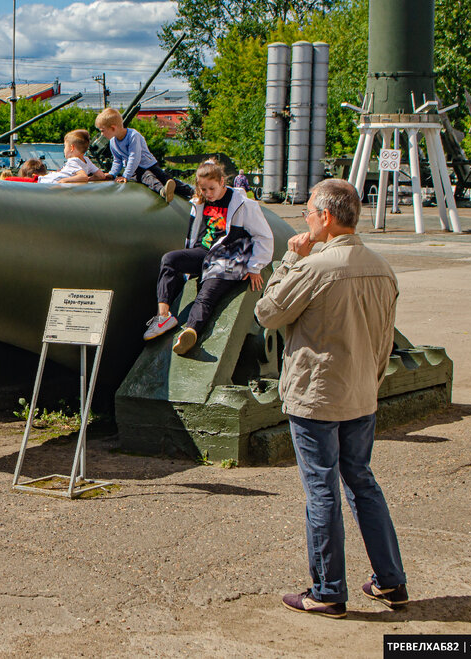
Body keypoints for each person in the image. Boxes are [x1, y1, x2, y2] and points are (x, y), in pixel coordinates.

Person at [254, 178, 407, 619]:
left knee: (321, 490)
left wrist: (289, 258)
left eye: (307, 213)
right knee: (362, 482)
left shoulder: (315, 267)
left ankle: (327, 591)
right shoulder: (381, 267)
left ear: (325, 217)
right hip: (361, 392)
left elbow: (268, 312)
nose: (304, 220)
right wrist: (372, 381)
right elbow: (384, 338)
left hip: (317, 395)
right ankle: (391, 582)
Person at [143, 159, 274, 355]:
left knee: (207, 292)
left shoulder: (243, 205)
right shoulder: (199, 202)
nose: (208, 194)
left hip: (227, 256)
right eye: (203, 189)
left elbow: (263, 236)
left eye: (211, 188)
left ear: (222, 182)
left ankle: (191, 331)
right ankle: (163, 316)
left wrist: (255, 266)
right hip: (204, 252)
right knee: (169, 260)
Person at [93, 107, 193, 202]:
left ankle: (192, 192)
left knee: (165, 178)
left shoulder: (133, 136)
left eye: (102, 131)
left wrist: (125, 176)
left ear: (113, 128)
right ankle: (163, 191)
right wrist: (112, 174)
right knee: (148, 177)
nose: (102, 134)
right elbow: (117, 160)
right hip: (136, 170)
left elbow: (134, 157)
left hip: (149, 165)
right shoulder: (113, 142)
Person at [38, 130, 105, 184]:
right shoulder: (87, 161)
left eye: (65, 147)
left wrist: (65, 180)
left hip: (50, 181)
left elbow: (83, 176)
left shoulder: (73, 161)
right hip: (57, 178)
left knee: (34, 179)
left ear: (71, 148)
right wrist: (89, 179)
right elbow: (101, 175)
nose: (64, 150)